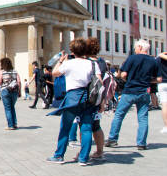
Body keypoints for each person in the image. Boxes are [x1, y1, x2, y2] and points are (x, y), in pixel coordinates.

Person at [46, 38, 101, 166]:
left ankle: (59, 155)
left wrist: (60, 61)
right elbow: (99, 83)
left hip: (72, 97)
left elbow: (54, 73)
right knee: (86, 128)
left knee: (65, 127)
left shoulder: (69, 63)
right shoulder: (92, 64)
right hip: (88, 98)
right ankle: (83, 158)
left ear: (72, 51)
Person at [106, 39, 161, 150]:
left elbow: (123, 74)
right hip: (144, 91)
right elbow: (159, 79)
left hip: (130, 90)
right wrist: (147, 81)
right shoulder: (154, 61)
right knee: (143, 117)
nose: (134, 49)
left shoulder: (132, 58)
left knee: (119, 115)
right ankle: (141, 143)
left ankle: (112, 139)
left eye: (135, 47)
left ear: (140, 47)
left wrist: (128, 79)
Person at [0, 58, 20, 130]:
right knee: (12, 107)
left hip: (5, 91)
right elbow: (19, 82)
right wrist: (19, 91)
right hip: (14, 91)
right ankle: (14, 124)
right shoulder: (15, 71)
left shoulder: (2, 72)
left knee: (8, 108)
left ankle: (10, 125)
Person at [156, 52, 167, 134]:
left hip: (162, 82)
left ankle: (166, 126)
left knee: (164, 105)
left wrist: (160, 54)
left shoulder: (159, 58)